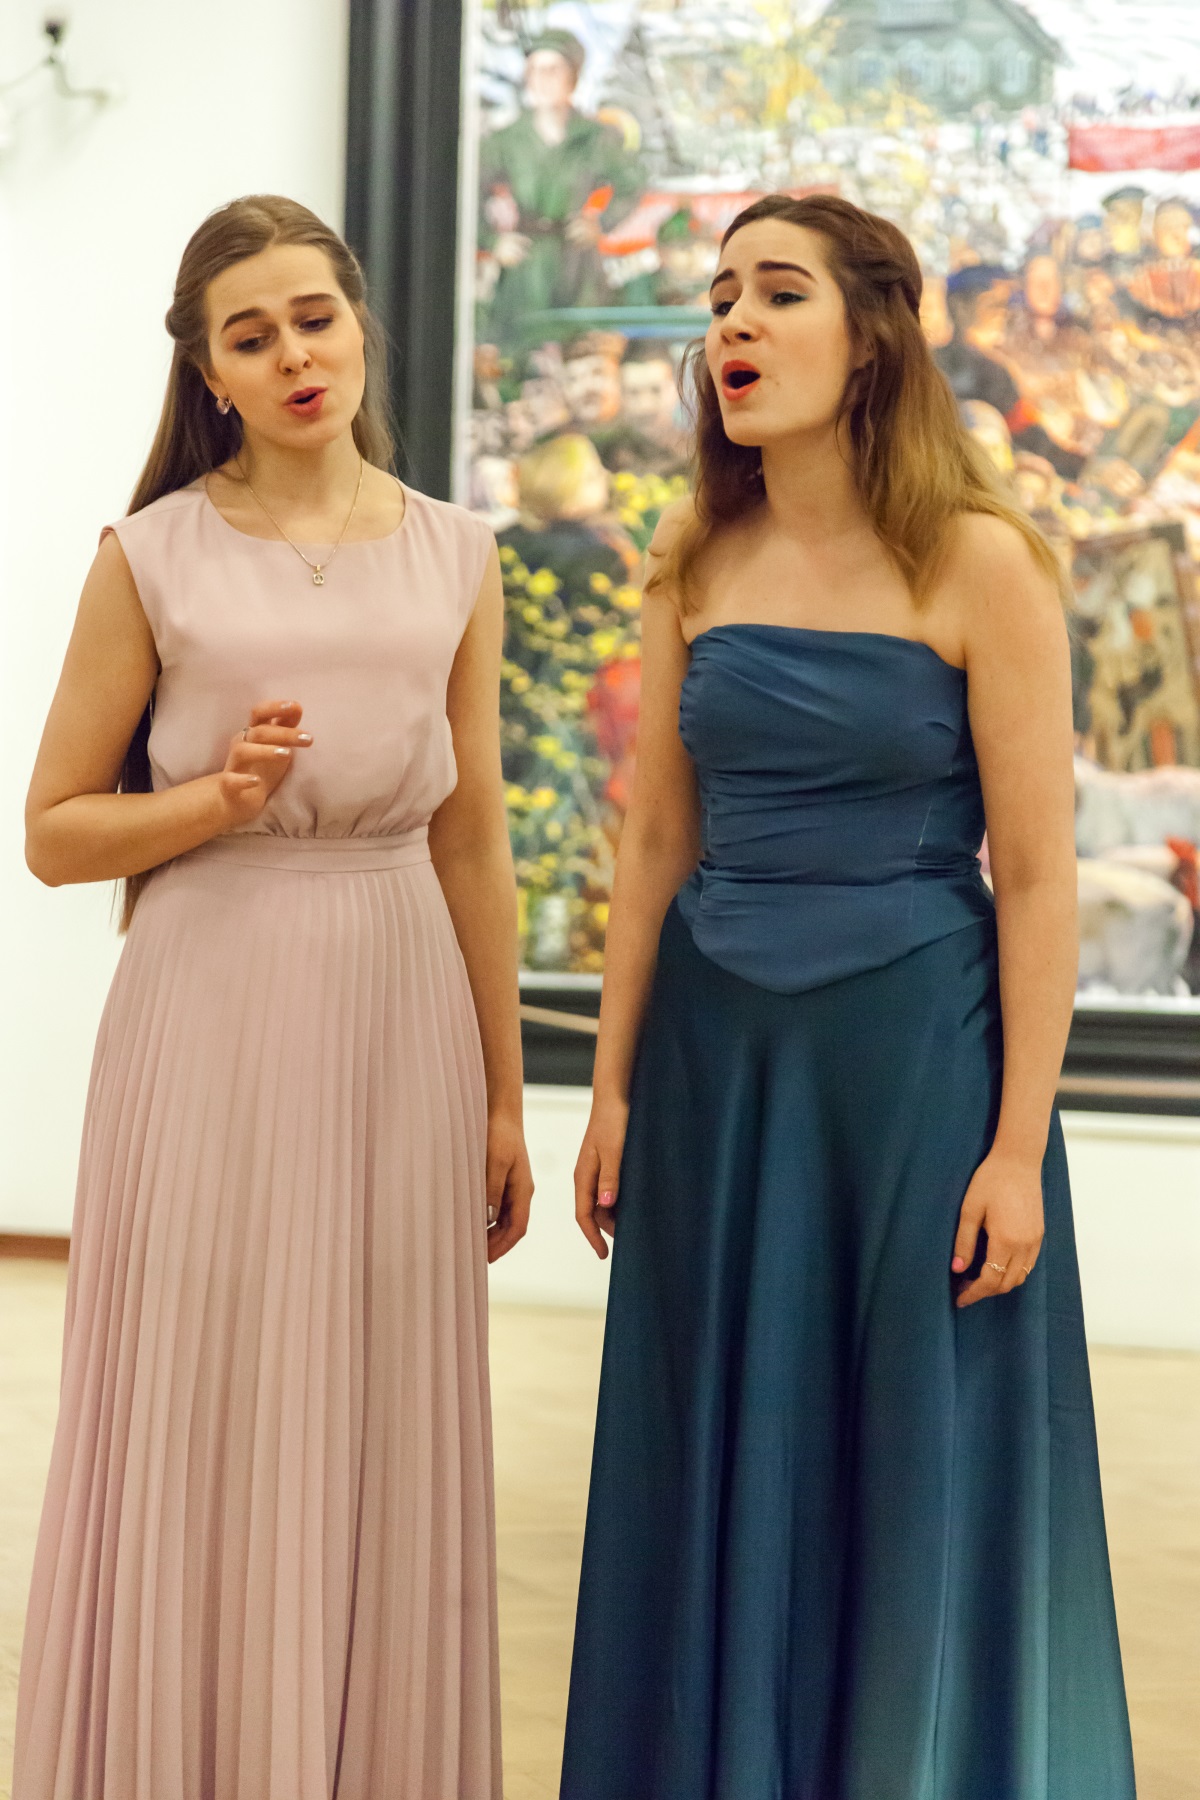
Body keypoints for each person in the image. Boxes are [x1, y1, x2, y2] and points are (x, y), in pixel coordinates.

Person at [561, 193, 1134, 1799]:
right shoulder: (695, 556)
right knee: (716, 1451)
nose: (732, 324)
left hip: (917, 1071)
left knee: (911, 1467)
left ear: (872, 334)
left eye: (777, 292)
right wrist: (611, 1088)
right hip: (721, 1067)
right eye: (719, 297)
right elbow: (656, 838)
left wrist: (1016, 1148)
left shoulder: (981, 561)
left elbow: (1037, 875)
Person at [15, 195, 532, 1800]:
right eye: (253, 335)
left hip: (401, 1008)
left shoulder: (457, 550)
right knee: (205, 1389)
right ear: (211, 373)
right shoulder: (151, 554)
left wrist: (506, 1094)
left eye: (315, 316)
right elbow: (52, 833)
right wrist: (214, 802)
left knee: (378, 1399)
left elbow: (473, 837)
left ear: (359, 325)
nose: (295, 353)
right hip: (209, 1006)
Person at [477, 30, 642, 345]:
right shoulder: (506, 141)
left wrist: (600, 223)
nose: (542, 80)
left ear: (572, 78)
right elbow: (467, 194)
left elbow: (631, 183)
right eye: (535, 70)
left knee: (581, 345)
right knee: (518, 348)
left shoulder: (596, 137)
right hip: (526, 265)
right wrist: (492, 241)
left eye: (553, 70)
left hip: (577, 262)